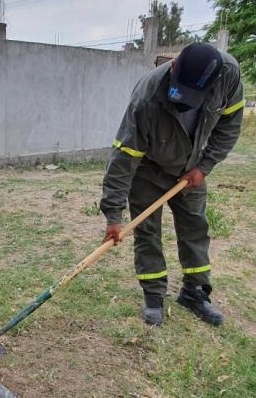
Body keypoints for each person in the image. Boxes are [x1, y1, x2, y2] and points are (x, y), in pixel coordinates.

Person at [99, 43, 244, 326]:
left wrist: (204, 166)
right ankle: (154, 296)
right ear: (173, 65)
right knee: (147, 231)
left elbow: (230, 125)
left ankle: (195, 292)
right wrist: (113, 216)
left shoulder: (228, 75)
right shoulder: (146, 98)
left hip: (192, 168)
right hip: (148, 169)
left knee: (195, 228)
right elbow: (123, 157)